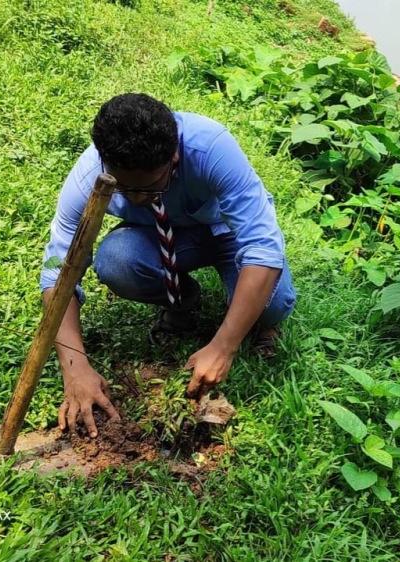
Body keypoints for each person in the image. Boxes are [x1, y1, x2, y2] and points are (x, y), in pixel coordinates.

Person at [40, 93, 296, 438]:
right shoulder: (91, 175)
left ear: (173, 155)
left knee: (273, 304)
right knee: (117, 260)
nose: (134, 198)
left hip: (226, 234)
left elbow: (263, 249)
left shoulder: (211, 147)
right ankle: (183, 300)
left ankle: (254, 323)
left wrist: (224, 346)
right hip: (158, 240)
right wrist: (74, 367)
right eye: (123, 187)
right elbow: (58, 273)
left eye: (147, 187)